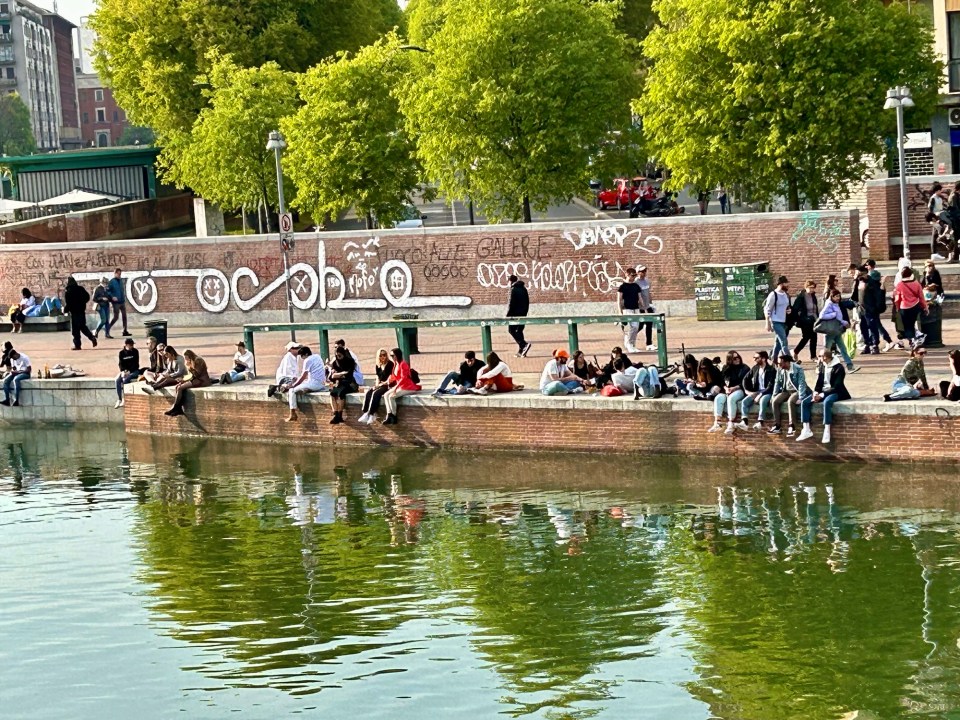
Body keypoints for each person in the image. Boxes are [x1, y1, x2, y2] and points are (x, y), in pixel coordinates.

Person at [801, 348, 850, 443]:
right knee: (805, 402)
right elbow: (819, 381)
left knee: (827, 402)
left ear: (825, 357)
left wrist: (822, 395)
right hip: (823, 391)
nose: (818, 357)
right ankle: (806, 429)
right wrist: (815, 393)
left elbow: (837, 386)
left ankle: (827, 429)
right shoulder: (822, 366)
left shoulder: (839, 368)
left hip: (836, 392)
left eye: (820, 356)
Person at [768, 353, 810, 436]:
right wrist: (774, 395)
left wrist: (801, 397)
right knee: (775, 401)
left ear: (787, 362)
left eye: (780, 363)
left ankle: (792, 426)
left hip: (797, 390)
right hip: (786, 390)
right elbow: (777, 382)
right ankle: (777, 425)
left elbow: (801, 383)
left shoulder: (798, 368)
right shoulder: (780, 370)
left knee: (791, 401)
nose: (778, 365)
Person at [818, 289, 856, 372]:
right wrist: (833, 314)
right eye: (836, 296)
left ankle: (849, 366)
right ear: (832, 296)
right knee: (826, 350)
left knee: (843, 348)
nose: (838, 298)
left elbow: (839, 317)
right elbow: (822, 315)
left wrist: (843, 322)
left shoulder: (837, 304)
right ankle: (820, 367)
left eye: (839, 296)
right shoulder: (829, 303)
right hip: (831, 330)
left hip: (836, 329)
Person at [709, 350, 747, 433]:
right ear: (730, 360)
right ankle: (717, 423)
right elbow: (722, 381)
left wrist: (734, 388)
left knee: (731, 399)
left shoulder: (744, 368)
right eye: (734, 359)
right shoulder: (726, 368)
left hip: (739, 389)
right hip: (727, 390)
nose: (737, 360)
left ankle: (731, 423)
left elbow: (745, 382)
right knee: (718, 398)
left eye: (738, 357)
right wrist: (726, 388)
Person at [165, 349, 211, 417]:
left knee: (180, 388)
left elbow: (197, 374)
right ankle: (178, 408)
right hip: (195, 380)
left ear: (189, 355)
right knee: (178, 386)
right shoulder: (190, 362)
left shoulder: (198, 360)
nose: (185, 359)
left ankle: (175, 407)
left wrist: (190, 367)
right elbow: (190, 375)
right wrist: (182, 380)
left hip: (202, 380)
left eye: (185, 357)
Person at [286, 346, 327, 422]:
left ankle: (293, 413)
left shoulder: (307, 360)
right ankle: (306, 389)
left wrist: (294, 385)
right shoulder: (317, 356)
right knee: (302, 385)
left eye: (302, 355)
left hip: (315, 384)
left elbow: (303, 376)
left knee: (292, 390)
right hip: (321, 383)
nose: (302, 357)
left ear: (306, 354)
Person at [737, 350, 776, 431]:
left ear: (764, 359)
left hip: (767, 392)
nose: (754, 360)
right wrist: (748, 391)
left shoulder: (771, 370)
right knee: (744, 402)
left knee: (763, 401)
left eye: (756, 358)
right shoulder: (755, 368)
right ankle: (744, 422)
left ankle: (760, 421)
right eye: (754, 358)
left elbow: (770, 386)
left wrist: (760, 395)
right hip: (757, 391)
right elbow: (745, 379)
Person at [382, 347, 421, 423]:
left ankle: (394, 416)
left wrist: (395, 388)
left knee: (391, 397)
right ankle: (389, 414)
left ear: (397, 355)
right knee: (386, 395)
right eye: (391, 356)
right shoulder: (395, 364)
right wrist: (386, 382)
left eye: (393, 355)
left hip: (408, 387)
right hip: (400, 386)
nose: (392, 357)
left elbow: (404, 378)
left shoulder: (403, 364)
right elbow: (394, 376)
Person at [892, 267, 928, 348]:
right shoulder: (916, 283)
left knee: (906, 326)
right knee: (911, 324)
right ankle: (915, 338)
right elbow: (921, 297)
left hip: (904, 307)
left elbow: (897, 299)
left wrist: (897, 307)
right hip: (915, 306)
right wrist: (925, 307)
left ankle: (913, 340)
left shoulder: (900, 285)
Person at [359, 349, 394, 424]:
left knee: (376, 394)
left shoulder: (390, 364)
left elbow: (390, 377)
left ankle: (372, 413)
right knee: (369, 392)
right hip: (380, 384)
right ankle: (366, 412)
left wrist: (382, 384)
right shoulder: (378, 365)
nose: (383, 357)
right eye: (381, 356)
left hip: (387, 384)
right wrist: (376, 385)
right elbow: (377, 376)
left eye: (384, 355)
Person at [63, 276, 97, 351]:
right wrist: (82, 303)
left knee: (75, 330)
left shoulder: (68, 291)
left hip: (74, 313)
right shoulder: (80, 289)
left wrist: (65, 310)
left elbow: (68, 303)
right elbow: (87, 297)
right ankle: (92, 337)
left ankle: (77, 345)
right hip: (81, 312)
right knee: (83, 327)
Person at [327, 344, 358, 425]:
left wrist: (338, 374)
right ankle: (336, 413)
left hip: (349, 383)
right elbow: (332, 376)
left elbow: (347, 374)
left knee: (341, 393)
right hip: (339, 383)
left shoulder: (350, 362)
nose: (338, 357)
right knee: (332, 393)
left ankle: (340, 415)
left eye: (340, 355)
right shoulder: (335, 363)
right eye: (337, 355)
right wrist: (340, 374)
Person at [764, 275, 792, 362]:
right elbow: (767, 309)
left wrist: (788, 310)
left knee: (778, 342)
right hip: (775, 321)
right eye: (785, 283)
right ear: (780, 284)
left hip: (783, 321)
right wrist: (768, 323)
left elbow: (786, 306)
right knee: (784, 340)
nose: (787, 285)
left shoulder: (785, 294)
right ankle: (789, 359)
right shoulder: (773, 294)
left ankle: (773, 358)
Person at [791, 280, 819, 362]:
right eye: (810, 288)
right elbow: (795, 309)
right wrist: (797, 320)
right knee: (806, 337)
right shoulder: (801, 297)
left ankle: (813, 356)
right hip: (805, 320)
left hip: (813, 319)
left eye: (813, 288)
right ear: (806, 287)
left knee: (814, 337)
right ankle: (795, 351)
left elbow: (815, 307)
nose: (812, 290)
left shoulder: (813, 296)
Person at [617, 266, 643, 353]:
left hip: (636, 308)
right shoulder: (622, 287)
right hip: (627, 309)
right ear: (627, 275)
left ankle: (633, 344)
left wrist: (644, 308)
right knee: (631, 327)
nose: (633, 278)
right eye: (632, 276)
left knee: (636, 327)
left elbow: (640, 298)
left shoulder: (636, 286)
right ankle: (629, 344)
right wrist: (620, 311)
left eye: (634, 276)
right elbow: (619, 300)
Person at [506, 274, 531, 357]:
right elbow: (527, 302)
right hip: (523, 313)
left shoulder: (513, 289)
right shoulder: (524, 289)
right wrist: (525, 312)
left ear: (510, 281)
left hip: (515, 314)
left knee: (511, 330)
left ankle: (524, 344)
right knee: (519, 331)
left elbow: (511, 303)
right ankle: (521, 351)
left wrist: (508, 315)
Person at [114, 337, 140, 408]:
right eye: (130, 345)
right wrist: (123, 371)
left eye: (132, 345)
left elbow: (136, 364)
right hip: (124, 371)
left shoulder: (135, 351)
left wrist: (129, 371)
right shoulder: (121, 353)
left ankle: (124, 398)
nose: (132, 346)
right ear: (126, 345)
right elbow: (120, 364)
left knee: (125, 380)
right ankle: (119, 399)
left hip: (134, 371)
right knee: (117, 380)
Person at [106, 267, 131, 337]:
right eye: (118, 274)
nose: (119, 275)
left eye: (120, 274)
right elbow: (107, 291)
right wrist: (112, 297)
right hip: (116, 303)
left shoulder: (121, 281)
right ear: (115, 273)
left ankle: (125, 331)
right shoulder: (111, 282)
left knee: (124, 316)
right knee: (116, 317)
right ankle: (107, 328)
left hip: (122, 301)